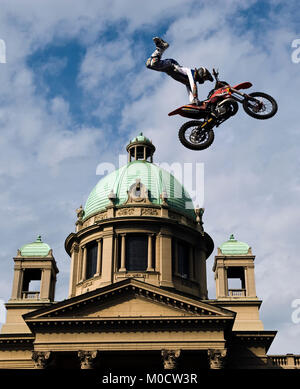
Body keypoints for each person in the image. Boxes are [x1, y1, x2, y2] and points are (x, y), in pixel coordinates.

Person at [146, 37, 214, 105]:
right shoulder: (191, 72)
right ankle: (162, 47)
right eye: (204, 78)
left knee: (148, 64)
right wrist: (196, 98)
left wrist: (193, 102)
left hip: (168, 70)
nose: (203, 80)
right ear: (201, 74)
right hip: (171, 64)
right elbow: (193, 85)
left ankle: (159, 50)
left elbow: (190, 91)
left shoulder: (188, 82)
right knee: (153, 63)